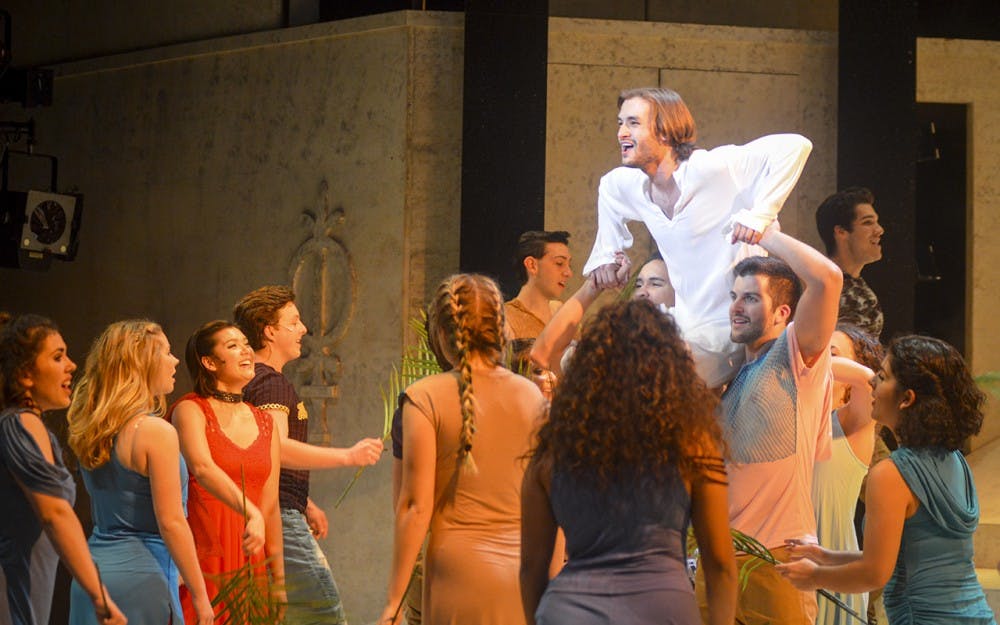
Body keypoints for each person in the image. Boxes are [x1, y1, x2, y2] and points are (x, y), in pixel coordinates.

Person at [520, 299, 736, 625]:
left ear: (587, 371)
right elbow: (719, 563)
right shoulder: (693, 445)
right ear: (669, 369)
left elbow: (531, 568)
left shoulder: (555, 451)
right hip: (663, 611)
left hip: (571, 612)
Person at [583, 87, 812, 387]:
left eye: (633, 123)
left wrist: (761, 214)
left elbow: (795, 146)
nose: (621, 133)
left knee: (649, 381)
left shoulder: (711, 168)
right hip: (684, 325)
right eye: (620, 123)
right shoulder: (626, 184)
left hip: (729, 328)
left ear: (665, 131)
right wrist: (608, 254)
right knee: (589, 360)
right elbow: (608, 189)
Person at [777, 335, 996, 625]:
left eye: (882, 376)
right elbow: (900, 555)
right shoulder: (956, 460)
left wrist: (813, 577)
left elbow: (874, 573)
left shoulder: (891, 474)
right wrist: (825, 556)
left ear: (906, 399)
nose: (871, 382)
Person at [379, 274, 548, 625]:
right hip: (524, 575)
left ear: (442, 334)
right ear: (501, 329)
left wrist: (394, 602)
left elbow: (413, 507)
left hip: (456, 575)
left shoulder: (424, 398)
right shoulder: (531, 396)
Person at [693, 224, 842, 624]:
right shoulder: (729, 373)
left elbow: (828, 279)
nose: (736, 307)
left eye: (751, 298)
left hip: (776, 557)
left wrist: (764, 232)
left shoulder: (794, 357)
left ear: (782, 313)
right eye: (734, 297)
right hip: (716, 557)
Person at [233, 286, 383, 624]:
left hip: (278, 508)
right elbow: (276, 448)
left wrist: (307, 502)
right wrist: (349, 456)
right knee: (324, 612)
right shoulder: (269, 383)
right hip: (279, 514)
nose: (303, 329)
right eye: (294, 322)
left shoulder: (258, 381)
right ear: (269, 331)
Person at [66, 320, 213, 624]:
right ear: (142, 362)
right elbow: (171, 522)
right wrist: (200, 596)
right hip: (142, 579)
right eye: (166, 352)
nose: (175, 361)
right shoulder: (155, 431)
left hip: (92, 576)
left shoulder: (91, 428)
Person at [0, 313, 126, 625]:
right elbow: (55, 513)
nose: (71, 365)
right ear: (25, 374)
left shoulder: (24, 425)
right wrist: (99, 595)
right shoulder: (21, 424)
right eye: (58, 357)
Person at [168, 321, 285, 622]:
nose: (246, 350)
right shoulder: (190, 410)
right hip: (204, 556)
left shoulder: (265, 422)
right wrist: (252, 512)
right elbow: (202, 467)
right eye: (232, 346)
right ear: (209, 362)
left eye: (246, 343)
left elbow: (270, 506)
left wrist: (279, 581)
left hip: (250, 559)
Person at [811, 324, 882, 625]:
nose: (821, 358)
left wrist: (807, 358)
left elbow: (870, 381)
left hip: (833, 563)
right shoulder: (797, 418)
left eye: (833, 353)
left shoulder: (854, 421)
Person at [530, 252, 674, 376]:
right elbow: (542, 354)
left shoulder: (684, 352)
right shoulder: (611, 352)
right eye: (638, 285)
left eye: (656, 284)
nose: (642, 292)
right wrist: (593, 286)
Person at [815, 187, 885, 338]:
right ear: (841, 232)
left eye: (876, 222)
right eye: (868, 222)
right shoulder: (825, 289)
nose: (879, 230)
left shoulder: (850, 284)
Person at [505, 230, 573, 340]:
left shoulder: (563, 312)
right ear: (532, 265)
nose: (568, 273)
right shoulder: (506, 319)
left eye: (569, 265)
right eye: (559, 263)